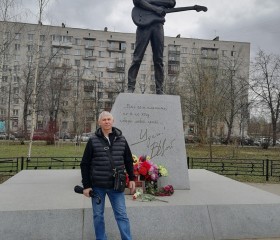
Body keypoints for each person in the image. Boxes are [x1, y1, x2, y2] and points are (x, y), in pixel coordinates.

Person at [80, 111, 136, 240]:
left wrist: (132, 178)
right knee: (98, 216)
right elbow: (85, 164)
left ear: (113, 121)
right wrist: (86, 186)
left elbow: (128, 160)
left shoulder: (121, 139)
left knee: (122, 215)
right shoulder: (93, 140)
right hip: (97, 186)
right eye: (104, 119)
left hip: (116, 186)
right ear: (99, 122)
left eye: (109, 119)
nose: (106, 121)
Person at [127, 0, 176, 94]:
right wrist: (156, 8)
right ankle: (130, 87)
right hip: (143, 25)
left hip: (158, 26)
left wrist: (148, 2)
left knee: (159, 60)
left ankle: (159, 89)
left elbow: (171, 3)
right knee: (137, 58)